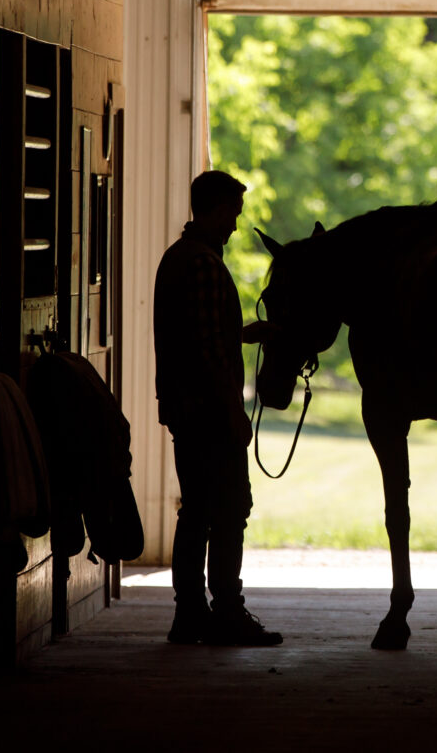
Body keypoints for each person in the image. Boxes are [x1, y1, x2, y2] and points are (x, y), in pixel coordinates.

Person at [154, 169, 281, 646]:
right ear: (210, 209)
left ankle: (190, 615)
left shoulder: (179, 259)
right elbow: (207, 351)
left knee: (198, 511)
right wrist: (234, 409)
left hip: (186, 409)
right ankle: (226, 610)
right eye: (231, 213)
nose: (233, 225)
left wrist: (243, 335)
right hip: (209, 412)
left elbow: (198, 336)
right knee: (229, 509)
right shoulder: (205, 263)